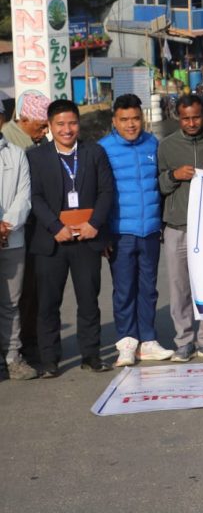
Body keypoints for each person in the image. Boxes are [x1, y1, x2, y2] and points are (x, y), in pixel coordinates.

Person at [28, 99, 114, 377]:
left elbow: (106, 192)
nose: (67, 129)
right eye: (60, 124)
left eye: (72, 123)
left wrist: (94, 224)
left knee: (88, 300)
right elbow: (35, 197)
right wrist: (55, 227)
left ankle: (91, 354)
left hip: (87, 238)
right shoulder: (36, 156)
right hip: (52, 240)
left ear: (79, 123)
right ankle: (50, 360)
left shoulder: (94, 153)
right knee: (48, 303)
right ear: (50, 126)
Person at [99, 94, 172, 366]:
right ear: (114, 121)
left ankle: (149, 340)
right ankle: (127, 342)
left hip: (150, 229)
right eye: (124, 120)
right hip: (120, 232)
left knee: (148, 288)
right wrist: (103, 233)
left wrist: (162, 222)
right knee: (124, 289)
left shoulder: (153, 144)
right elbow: (98, 193)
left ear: (143, 118)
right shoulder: (103, 149)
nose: (131, 125)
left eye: (135, 119)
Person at [158, 93, 203, 363]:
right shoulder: (166, 146)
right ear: (178, 117)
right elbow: (159, 186)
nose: (191, 123)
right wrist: (173, 175)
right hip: (178, 226)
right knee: (179, 288)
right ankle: (184, 341)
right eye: (185, 118)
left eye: (196, 117)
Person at [3, 91, 50, 366]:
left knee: (29, 291)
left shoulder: (35, 141)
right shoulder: (10, 143)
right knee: (14, 295)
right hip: (13, 228)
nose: (44, 130)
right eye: (41, 124)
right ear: (24, 118)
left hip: (29, 227)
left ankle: (27, 344)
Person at [0, 102, 35, 379]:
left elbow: (24, 196)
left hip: (12, 239)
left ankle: (12, 357)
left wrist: (5, 226)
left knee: (11, 302)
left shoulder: (16, 154)